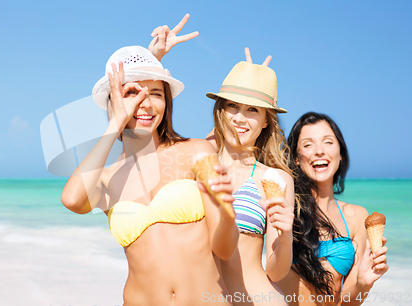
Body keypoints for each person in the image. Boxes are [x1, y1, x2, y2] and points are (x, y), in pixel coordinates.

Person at [61, 45, 239, 305]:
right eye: (132, 93)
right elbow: (72, 200)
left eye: (156, 93)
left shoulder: (195, 151)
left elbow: (224, 250)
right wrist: (115, 124)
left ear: (167, 102)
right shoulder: (107, 179)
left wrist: (226, 215)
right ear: (114, 102)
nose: (146, 103)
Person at [149, 19, 295, 305]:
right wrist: (154, 59)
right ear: (220, 109)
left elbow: (275, 272)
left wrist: (286, 234)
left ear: (267, 120)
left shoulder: (276, 180)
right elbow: (144, 139)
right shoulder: (195, 158)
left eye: (253, 109)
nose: (240, 118)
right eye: (232, 106)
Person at [276, 112, 389, 305]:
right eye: (308, 144)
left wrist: (363, 284)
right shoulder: (285, 210)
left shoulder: (357, 217)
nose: (319, 151)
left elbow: (347, 302)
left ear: (341, 154)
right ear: (295, 157)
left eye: (328, 142)